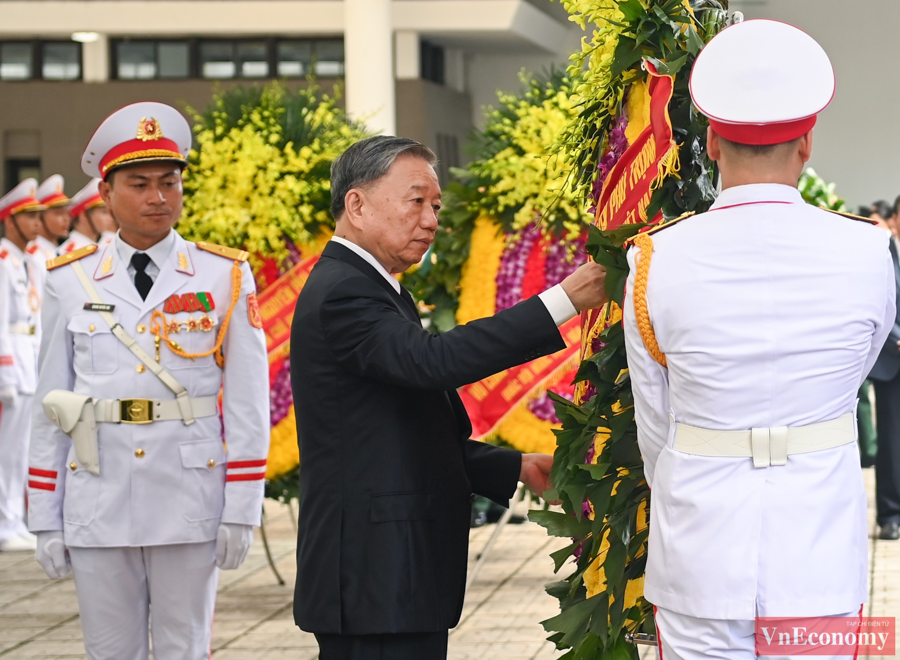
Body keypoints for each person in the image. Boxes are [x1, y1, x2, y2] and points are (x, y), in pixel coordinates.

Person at [623, 20, 894, 660]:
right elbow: (859, 366)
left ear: (712, 142)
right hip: (819, 553)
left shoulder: (655, 258)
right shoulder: (867, 249)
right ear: (807, 143)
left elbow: (654, 421)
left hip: (698, 552)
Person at [290, 135, 608, 660]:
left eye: (435, 206)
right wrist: (562, 301)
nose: (432, 220)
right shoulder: (345, 291)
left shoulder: (376, 287)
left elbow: (396, 426)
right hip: (373, 575)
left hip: (391, 576)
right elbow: (432, 362)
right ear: (357, 204)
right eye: (416, 201)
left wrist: (514, 467)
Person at [27, 102, 270, 659]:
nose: (159, 197)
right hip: (98, 491)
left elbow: (250, 402)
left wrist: (242, 505)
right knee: (108, 652)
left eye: (170, 182)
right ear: (107, 194)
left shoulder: (223, 274)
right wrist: (44, 513)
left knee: (185, 649)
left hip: (189, 494)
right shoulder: (70, 280)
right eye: (139, 184)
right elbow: (52, 402)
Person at [0, 178, 43, 553]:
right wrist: (5, 372)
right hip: (12, 363)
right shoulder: (2, 260)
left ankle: (17, 519)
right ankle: (5, 522)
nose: (36, 223)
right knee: (9, 452)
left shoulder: (24, 260)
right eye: (28, 216)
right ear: (10, 220)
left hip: (29, 361)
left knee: (24, 449)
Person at [866, 195, 900, 539]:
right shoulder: (883, 253)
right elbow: (877, 302)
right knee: (891, 442)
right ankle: (890, 516)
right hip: (894, 360)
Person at [58, 178, 116, 253]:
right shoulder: (70, 252)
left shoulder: (106, 242)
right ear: (84, 216)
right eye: (104, 212)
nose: (110, 218)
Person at [32, 174, 71, 262]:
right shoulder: (35, 257)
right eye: (59, 213)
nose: (66, 219)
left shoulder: (55, 250)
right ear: (39, 217)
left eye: (67, 213)